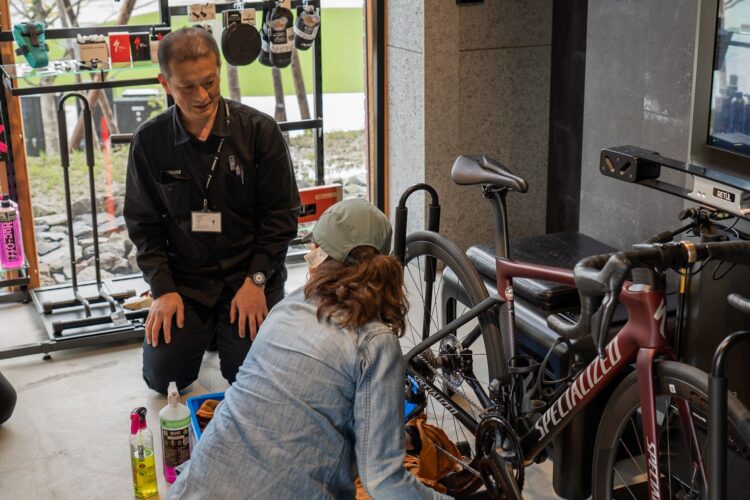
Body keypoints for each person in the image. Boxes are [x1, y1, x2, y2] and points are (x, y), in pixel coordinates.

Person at [167, 199, 449, 499]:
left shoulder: (286, 306)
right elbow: (384, 480)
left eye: (313, 247)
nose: (309, 254)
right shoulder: (375, 342)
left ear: (324, 257)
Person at [124, 27, 300, 395]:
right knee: (163, 380)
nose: (202, 96)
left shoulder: (259, 131)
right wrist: (163, 290)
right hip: (186, 281)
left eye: (209, 82)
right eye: (187, 86)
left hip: (250, 275)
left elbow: (280, 218)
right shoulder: (150, 141)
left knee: (250, 377)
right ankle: (208, 331)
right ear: (165, 83)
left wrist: (257, 281)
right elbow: (143, 225)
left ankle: (226, 333)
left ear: (219, 72)